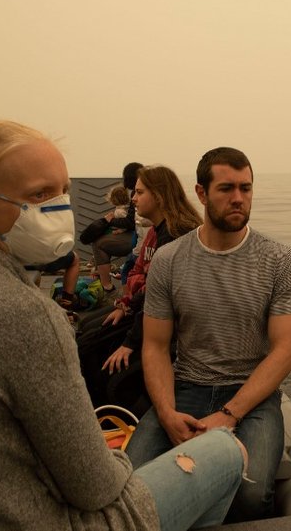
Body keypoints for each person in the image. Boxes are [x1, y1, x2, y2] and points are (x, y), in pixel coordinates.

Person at [0, 121, 246, 531]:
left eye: (62, 191)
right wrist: (113, 456)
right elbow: (95, 489)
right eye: (39, 195)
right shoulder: (23, 314)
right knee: (222, 449)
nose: (60, 207)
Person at [124, 147, 291, 523]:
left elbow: (284, 350)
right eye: (226, 189)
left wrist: (229, 413)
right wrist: (168, 412)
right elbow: (155, 347)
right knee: (130, 486)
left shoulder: (279, 259)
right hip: (187, 387)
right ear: (202, 194)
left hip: (251, 396)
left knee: (252, 495)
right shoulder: (170, 260)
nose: (238, 198)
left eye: (246, 188)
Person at [80, 166, 202, 414]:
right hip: (152, 314)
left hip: (173, 331)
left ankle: (108, 417)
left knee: (90, 351)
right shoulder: (161, 231)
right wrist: (126, 306)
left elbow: (161, 297)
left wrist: (128, 343)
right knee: (88, 330)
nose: (133, 199)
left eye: (139, 192)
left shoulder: (175, 235)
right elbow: (152, 289)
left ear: (158, 195)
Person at [89, 163, 141, 293]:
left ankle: (106, 284)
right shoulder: (140, 192)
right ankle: (102, 276)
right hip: (139, 235)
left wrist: (110, 221)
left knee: (98, 243)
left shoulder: (135, 193)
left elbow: (130, 222)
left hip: (138, 238)